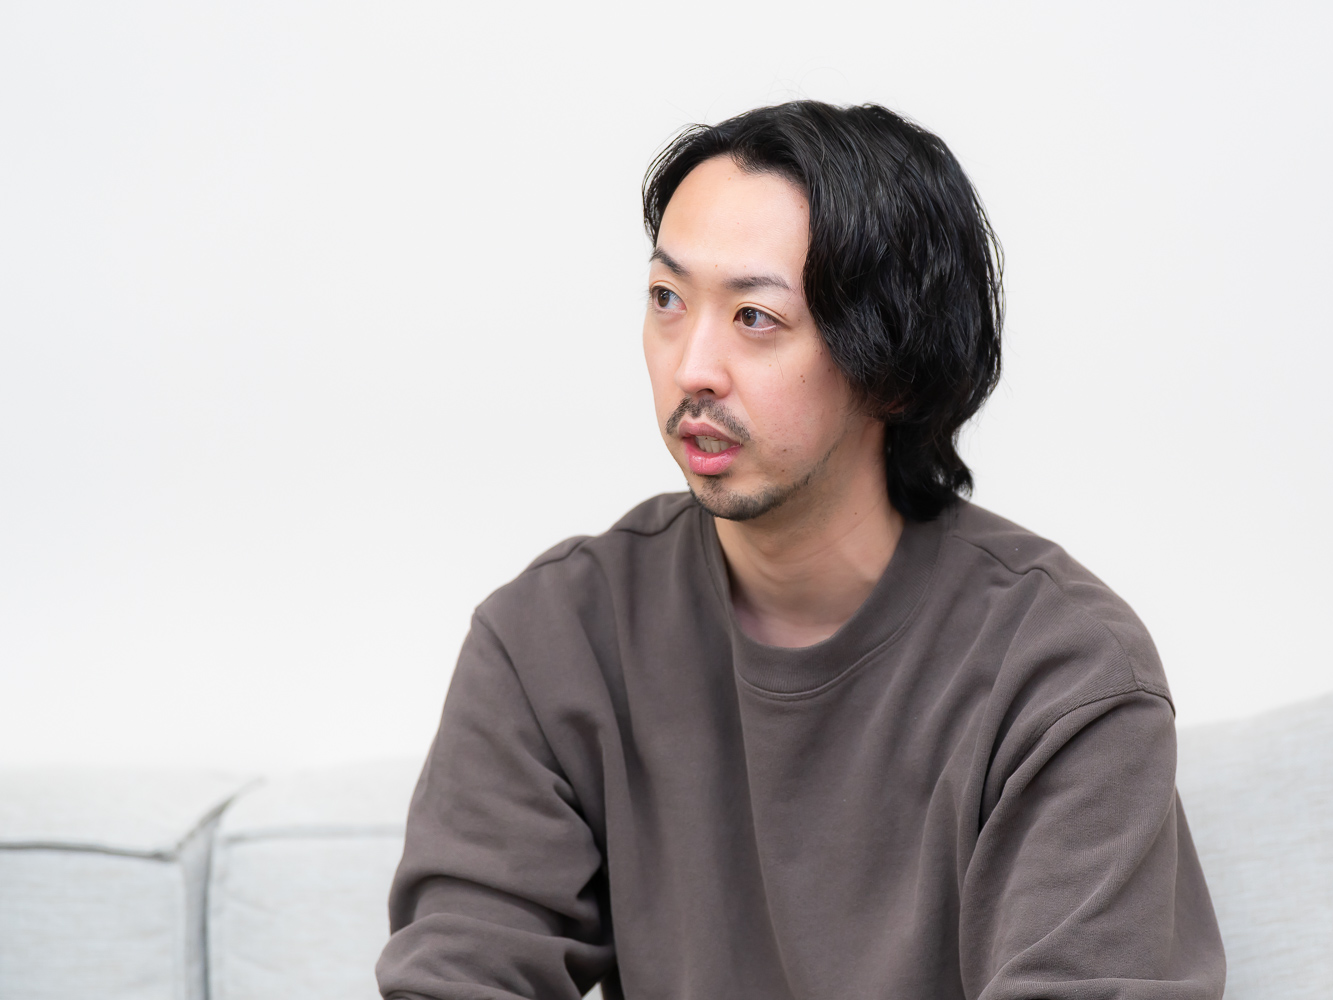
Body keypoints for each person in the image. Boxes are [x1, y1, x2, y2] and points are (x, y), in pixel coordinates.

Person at [376, 101, 1226, 1000]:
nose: (692, 368)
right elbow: (458, 975)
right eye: (667, 300)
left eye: (755, 317)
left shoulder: (1061, 676)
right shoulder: (554, 639)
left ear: (894, 370)